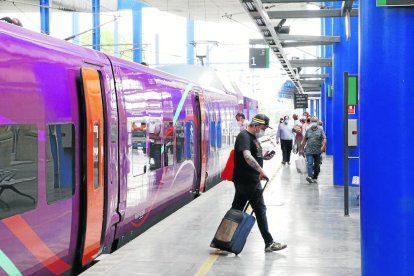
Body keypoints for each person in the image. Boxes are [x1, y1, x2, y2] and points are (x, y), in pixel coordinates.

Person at [232, 113, 287, 252]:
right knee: (260, 210)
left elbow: (253, 155)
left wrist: (263, 158)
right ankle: (269, 242)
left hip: (247, 179)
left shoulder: (252, 138)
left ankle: (224, 239)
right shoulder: (244, 136)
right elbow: (247, 156)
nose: (262, 130)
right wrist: (261, 170)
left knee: (236, 211)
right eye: (262, 127)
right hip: (248, 181)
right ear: (256, 125)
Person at [300, 117, 326, 183]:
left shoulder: (320, 130)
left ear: (317, 122)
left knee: (317, 166)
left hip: (317, 151)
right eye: (313, 121)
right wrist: (301, 149)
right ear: (311, 122)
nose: (314, 122)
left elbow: (324, 139)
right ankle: (309, 176)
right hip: (309, 150)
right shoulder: (308, 130)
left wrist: (323, 146)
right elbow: (305, 140)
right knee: (310, 163)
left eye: (315, 121)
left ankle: (315, 176)